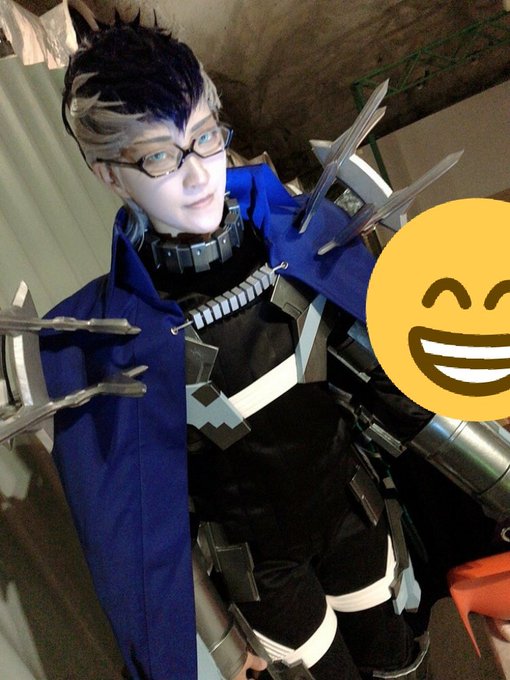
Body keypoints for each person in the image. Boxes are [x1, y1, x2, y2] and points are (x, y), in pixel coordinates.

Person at [40, 18, 502, 680]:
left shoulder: (304, 237)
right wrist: (219, 648)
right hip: (260, 568)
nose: (199, 176)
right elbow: (140, 534)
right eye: (161, 157)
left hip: (349, 509)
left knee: (398, 657)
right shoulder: (107, 343)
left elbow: (395, 383)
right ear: (109, 174)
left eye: (205, 136)